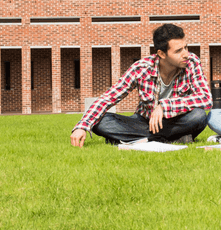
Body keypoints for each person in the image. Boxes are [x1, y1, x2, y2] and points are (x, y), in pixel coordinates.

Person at [70, 24, 211, 147]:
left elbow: (205, 98)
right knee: (101, 121)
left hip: (177, 121)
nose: (186, 54)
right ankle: (171, 139)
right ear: (161, 54)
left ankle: (139, 139)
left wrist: (165, 106)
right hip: (144, 123)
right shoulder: (141, 68)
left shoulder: (192, 62)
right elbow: (108, 98)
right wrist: (82, 127)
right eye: (178, 51)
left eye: (185, 47)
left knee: (198, 116)